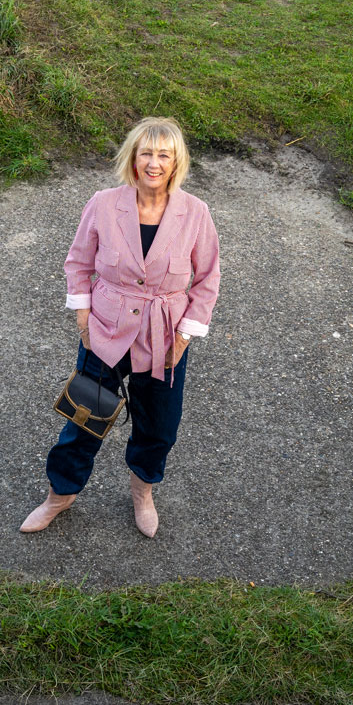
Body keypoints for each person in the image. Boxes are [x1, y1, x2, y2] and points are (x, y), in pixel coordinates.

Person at [20, 116, 220, 537]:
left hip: (165, 336)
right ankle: (61, 494)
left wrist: (185, 334)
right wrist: (82, 317)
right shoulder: (104, 203)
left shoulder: (196, 213)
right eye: (146, 153)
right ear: (133, 157)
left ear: (176, 161)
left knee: (159, 427)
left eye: (164, 155)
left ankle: (142, 492)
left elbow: (207, 280)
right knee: (84, 418)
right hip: (105, 330)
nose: (154, 163)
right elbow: (78, 262)